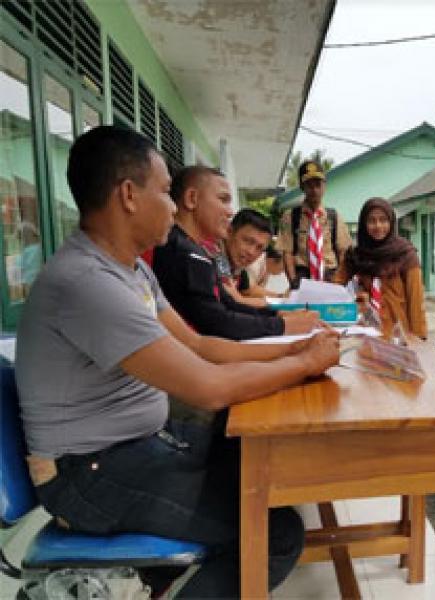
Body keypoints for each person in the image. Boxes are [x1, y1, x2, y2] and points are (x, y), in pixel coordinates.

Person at [15, 125, 341, 598]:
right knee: (275, 533)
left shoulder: (131, 269)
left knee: (249, 454)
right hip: (89, 476)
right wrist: (305, 364)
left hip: (134, 447)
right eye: (167, 192)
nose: (172, 206)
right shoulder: (87, 282)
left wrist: (295, 348)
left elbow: (201, 346)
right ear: (129, 195)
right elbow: (207, 386)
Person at [152, 166, 317, 340]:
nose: (230, 211)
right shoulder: (185, 252)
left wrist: (278, 315)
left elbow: (228, 304)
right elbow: (219, 322)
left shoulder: (194, 250)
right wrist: (283, 325)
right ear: (191, 198)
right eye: (223, 200)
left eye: (260, 248)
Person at [332, 197, 427, 339]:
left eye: (383, 220)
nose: (378, 226)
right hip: (363, 337)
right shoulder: (355, 256)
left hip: (397, 339)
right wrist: (352, 300)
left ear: (391, 222)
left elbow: (416, 302)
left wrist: (420, 338)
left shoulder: (406, 255)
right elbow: (334, 288)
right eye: (371, 221)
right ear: (364, 224)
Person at [278, 160, 352, 288]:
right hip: (303, 276)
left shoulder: (334, 217)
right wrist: (293, 282)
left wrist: (341, 280)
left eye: (318, 184)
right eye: (309, 185)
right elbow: (287, 253)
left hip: (330, 275)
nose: (314, 190)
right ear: (302, 187)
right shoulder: (290, 216)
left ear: (324, 186)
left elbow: (343, 252)